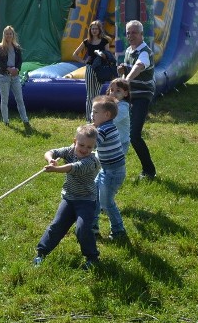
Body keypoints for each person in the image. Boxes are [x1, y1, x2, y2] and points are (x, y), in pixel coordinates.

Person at [33, 124, 101, 270]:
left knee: (83, 229)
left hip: (86, 201)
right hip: (69, 198)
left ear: (93, 147)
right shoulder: (70, 150)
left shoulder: (91, 161)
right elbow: (51, 151)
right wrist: (50, 159)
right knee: (57, 225)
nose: (84, 149)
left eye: (89, 147)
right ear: (75, 141)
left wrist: (56, 169)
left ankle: (92, 257)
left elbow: (73, 167)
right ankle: (41, 252)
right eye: (81, 145)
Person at [117, 19, 157, 180]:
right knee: (121, 132)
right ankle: (113, 166)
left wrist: (127, 78)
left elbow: (139, 66)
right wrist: (122, 70)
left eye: (134, 32)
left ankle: (149, 171)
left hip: (141, 97)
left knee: (134, 135)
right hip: (130, 97)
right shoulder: (128, 50)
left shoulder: (145, 51)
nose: (131, 35)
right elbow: (129, 67)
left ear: (141, 34)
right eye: (128, 33)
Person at [90, 96, 127, 240]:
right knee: (94, 197)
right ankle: (92, 228)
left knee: (106, 203)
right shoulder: (104, 126)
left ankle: (118, 230)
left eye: (95, 112)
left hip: (113, 172)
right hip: (105, 170)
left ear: (107, 115)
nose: (92, 114)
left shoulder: (105, 130)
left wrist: (78, 145)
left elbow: (91, 144)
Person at [72, 20, 114, 122]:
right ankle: (88, 119)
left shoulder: (105, 41)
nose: (94, 30)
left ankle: (96, 118)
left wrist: (102, 54)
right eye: (92, 28)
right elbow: (74, 54)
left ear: (100, 30)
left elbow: (108, 56)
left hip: (101, 70)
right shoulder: (87, 41)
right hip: (90, 68)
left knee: (97, 94)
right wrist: (83, 61)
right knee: (90, 95)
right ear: (90, 30)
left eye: (96, 28)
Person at [0, 25, 30, 126]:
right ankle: (6, 121)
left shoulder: (17, 47)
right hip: (3, 76)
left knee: (19, 98)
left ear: (13, 35)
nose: (9, 35)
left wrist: (17, 69)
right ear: (4, 35)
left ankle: (25, 120)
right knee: (5, 99)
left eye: (10, 33)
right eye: (7, 33)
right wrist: (8, 69)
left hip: (15, 76)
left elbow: (19, 61)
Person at [107, 78, 131, 157]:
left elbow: (110, 120)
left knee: (116, 165)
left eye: (118, 91)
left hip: (121, 143)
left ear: (125, 93)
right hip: (108, 141)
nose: (113, 93)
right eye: (112, 90)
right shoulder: (107, 105)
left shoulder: (123, 108)